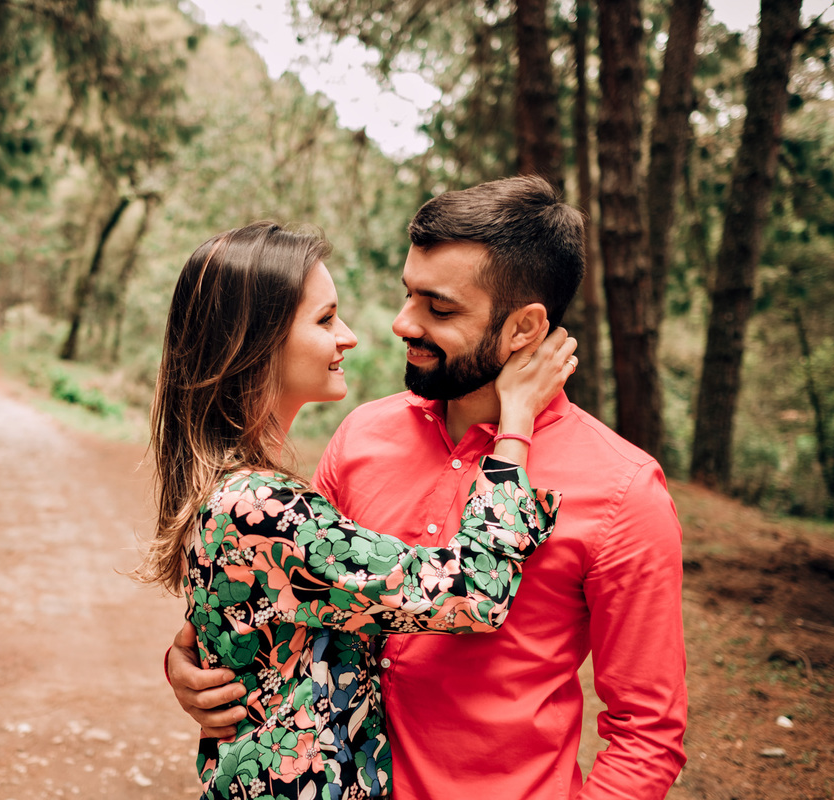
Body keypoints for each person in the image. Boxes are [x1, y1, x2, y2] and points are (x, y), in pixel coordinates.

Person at [167, 178, 688, 799]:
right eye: (408, 294)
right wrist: (193, 664)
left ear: (524, 328)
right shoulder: (362, 435)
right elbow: (291, 597)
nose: (400, 324)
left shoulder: (623, 491)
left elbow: (646, 733)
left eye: (439, 309)